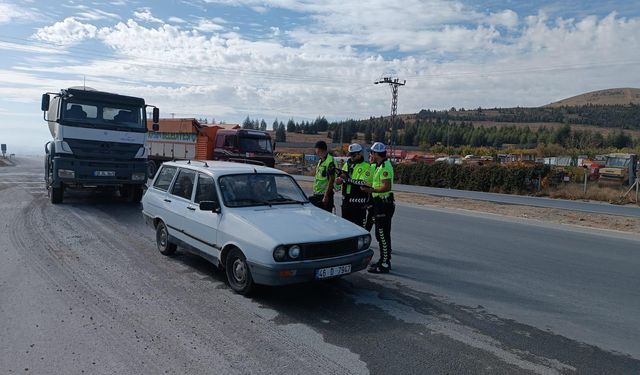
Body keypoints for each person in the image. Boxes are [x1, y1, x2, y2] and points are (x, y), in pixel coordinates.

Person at [361, 142, 395, 273]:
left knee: (382, 234)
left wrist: (371, 190)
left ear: (376, 154)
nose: (370, 155)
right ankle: (383, 259)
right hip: (378, 203)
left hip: (384, 204)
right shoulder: (378, 165)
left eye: (372, 153)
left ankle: (385, 263)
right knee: (380, 234)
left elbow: (387, 186)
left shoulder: (385, 166)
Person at [336, 144, 372, 227]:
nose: (351, 157)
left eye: (354, 155)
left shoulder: (366, 166)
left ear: (360, 154)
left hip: (358, 204)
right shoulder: (346, 164)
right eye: (350, 155)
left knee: (359, 230)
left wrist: (347, 180)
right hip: (346, 202)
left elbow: (363, 183)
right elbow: (342, 179)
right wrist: (339, 181)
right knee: (345, 229)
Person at [310, 140, 336, 212]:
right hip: (318, 194)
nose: (316, 151)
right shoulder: (321, 160)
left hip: (325, 195)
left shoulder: (330, 161)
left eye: (316, 149)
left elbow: (331, 179)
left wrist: (326, 195)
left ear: (320, 149)